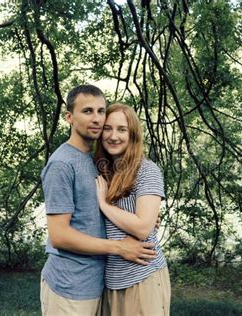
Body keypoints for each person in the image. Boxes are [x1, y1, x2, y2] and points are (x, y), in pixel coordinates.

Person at [40, 85, 157, 316]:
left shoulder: (95, 161)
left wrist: (145, 218)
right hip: (69, 286)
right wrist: (120, 247)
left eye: (101, 111)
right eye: (87, 111)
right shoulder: (62, 164)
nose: (96, 119)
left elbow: (98, 210)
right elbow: (59, 235)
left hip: (98, 284)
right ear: (69, 117)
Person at [95, 103, 171, 316]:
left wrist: (104, 204)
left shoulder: (147, 170)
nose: (113, 136)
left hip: (142, 276)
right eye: (108, 129)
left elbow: (143, 229)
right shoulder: (103, 171)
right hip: (111, 279)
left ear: (133, 134)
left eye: (122, 129)